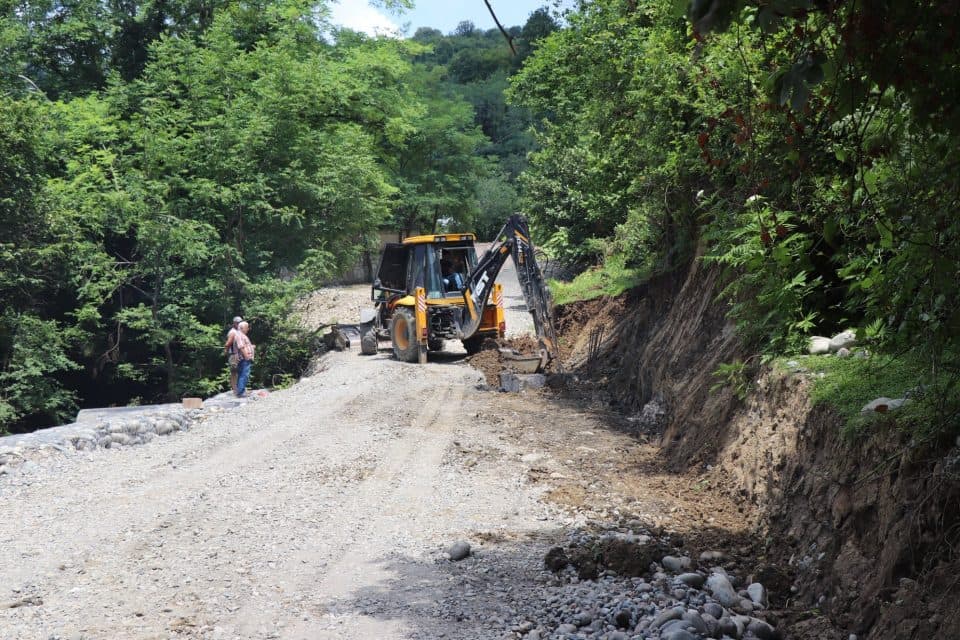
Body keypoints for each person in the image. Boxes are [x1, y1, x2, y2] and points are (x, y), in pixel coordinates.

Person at [234, 321, 255, 398]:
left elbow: (244, 346)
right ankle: (241, 392)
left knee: (242, 375)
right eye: (247, 327)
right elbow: (241, 347)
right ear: (242, 328)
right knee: (244, 375)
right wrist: (246, 356)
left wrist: (251, 347)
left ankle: (241, 391)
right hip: (244, 358)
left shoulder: (241, 335)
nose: (248, 329)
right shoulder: (239, 335)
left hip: (244, 358)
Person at [223, 316, 243, 393]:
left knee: (239, 372)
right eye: (238, 323)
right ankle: (235, 389)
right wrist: (226, 350)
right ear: (234, 323)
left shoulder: (238, 331)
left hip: (237, 354)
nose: (239, 324)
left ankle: (238, 388)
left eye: (240, 322)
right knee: (234, 372)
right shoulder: (233, 332)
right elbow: (228, 343)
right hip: (233, 355)